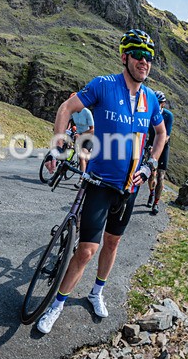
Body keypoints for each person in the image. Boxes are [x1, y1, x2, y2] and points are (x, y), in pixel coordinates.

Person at [35, 29, 167, 334]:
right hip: (99, 182)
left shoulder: (150, 99)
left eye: (149, 58)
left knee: (113, 242)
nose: (144, 62)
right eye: (138, 56)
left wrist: (149, 166)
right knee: (86, 251)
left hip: (130, 188)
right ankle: (57, 304)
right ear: (125, 58)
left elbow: (161, 134)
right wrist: (58, 146)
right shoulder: (104, 85)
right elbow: (67, 108)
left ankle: (97, 292)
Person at [145, 91, 174, 215]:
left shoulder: (168, 116)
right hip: (151, 146)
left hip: (163, 147)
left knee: (161, 176)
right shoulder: (148, 113)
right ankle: (151, 193)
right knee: (151, 175)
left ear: (163, 104)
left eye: (158, 103)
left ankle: (156, 203)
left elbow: (166, 135)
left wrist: (158, 147)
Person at [68, 92, 95, 188]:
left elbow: (93, 129)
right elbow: (68, 120)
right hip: (78, 135)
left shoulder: (86, 112)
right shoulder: (73, 111)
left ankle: (82, 179)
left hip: (89, 136)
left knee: (82, 156)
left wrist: (81, 134)